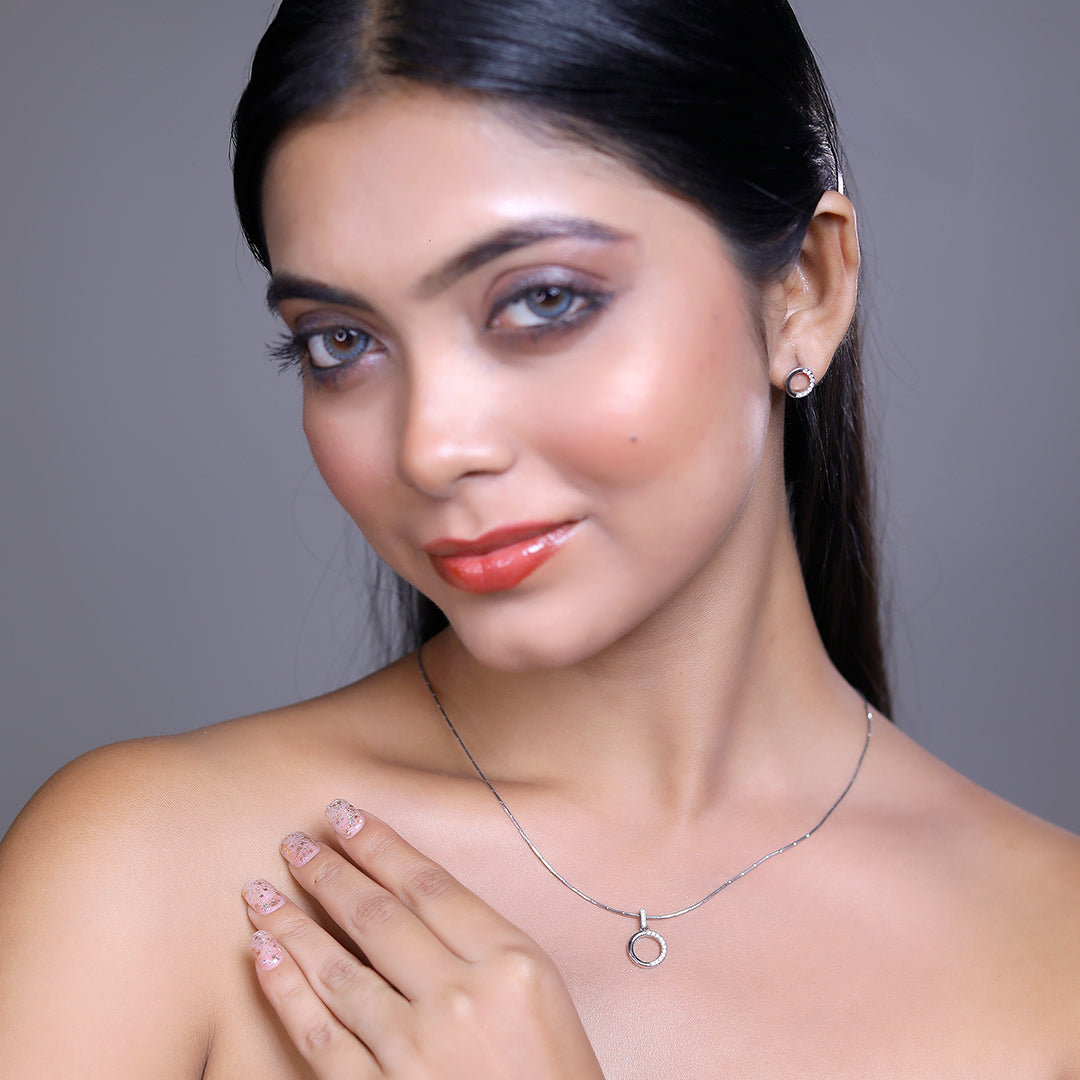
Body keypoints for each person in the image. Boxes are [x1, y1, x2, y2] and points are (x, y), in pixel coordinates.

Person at [1, 0, 1077, 1076]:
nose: (432, 448)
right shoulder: (152, 880)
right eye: (341, 341)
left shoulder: (1053, 958)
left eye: (544, 300)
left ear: (804, 290)